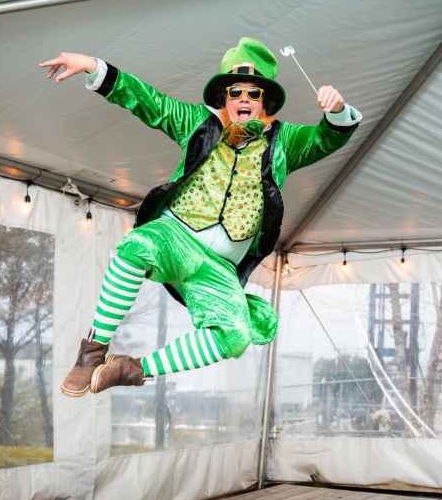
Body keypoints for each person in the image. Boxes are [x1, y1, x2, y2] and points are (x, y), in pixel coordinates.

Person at [40, 37, 362, 396]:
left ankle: (131, 369)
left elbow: (327, 139)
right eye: (235, 91)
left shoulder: (284, 141)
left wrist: (336, 110)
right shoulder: (197, 122)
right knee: (136, 247)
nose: (243, 99)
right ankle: (92, 353)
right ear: (223, 97)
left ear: (265, 102)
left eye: (252, 93)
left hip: (220, 266)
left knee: (236, 336)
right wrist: (93, 66)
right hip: (177, 237)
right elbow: (148, 101)